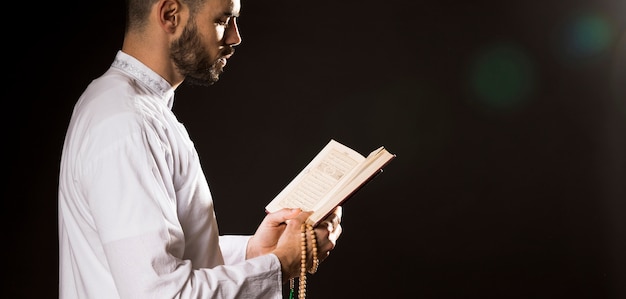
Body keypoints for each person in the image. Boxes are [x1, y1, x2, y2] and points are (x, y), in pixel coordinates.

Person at [57, 0, 343, 298]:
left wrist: (256, 251)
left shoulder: (127, 106)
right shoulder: (126, 120)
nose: (235, 37)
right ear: (170, 15)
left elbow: (155, 257)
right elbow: (160, 293)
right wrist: (280, 264)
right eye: (223, 20)